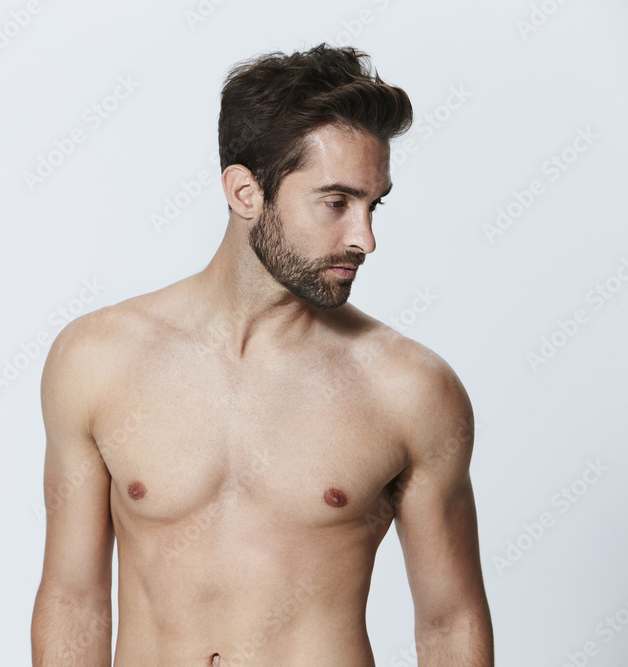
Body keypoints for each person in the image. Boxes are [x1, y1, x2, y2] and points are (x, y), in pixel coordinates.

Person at [31, 43, 493, 666]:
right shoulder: (97, 359)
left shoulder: (410, 388)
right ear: (246, 192)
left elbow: (448, 620)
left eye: (372, 204)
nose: (365, 238)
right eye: (336, 203)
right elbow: (74, 597)